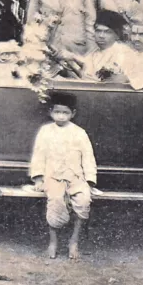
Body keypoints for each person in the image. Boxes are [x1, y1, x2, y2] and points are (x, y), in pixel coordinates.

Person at [29, 92, 97, 260]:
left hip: (76, 177)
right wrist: (38, 177)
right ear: (51, 112)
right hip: (53, 177)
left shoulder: (79, 133)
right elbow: (39, 155)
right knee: (56, 201)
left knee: (83, 201)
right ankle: (53, 242)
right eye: (57, 112)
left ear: (72, 114)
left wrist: (89, 180)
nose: (61, 116)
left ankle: (74, 241)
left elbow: (88, 156)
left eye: (65, 112)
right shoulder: (45, 131)